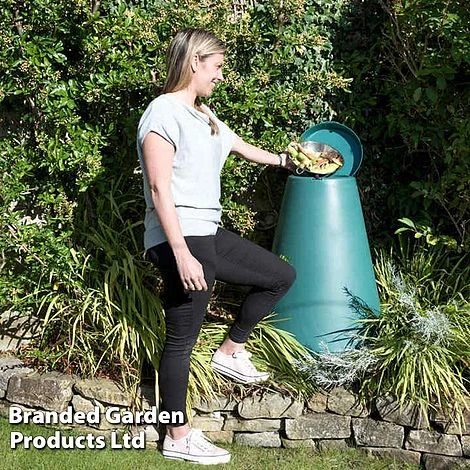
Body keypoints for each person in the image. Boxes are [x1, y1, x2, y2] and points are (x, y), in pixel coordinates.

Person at [137, 28, 296, 465]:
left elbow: (240, 147)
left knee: (279, 276)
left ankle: (230, 351)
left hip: (207, 231)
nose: (221, 75)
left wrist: (288, 161)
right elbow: (159, 186)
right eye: (217, 66)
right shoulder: (163, 112)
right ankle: (177, 435)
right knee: (182, 339)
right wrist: (181, 252)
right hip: (180, 236)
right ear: (195, 62)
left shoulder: (203, 114)